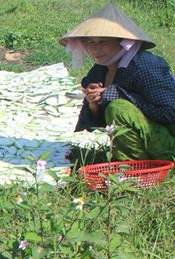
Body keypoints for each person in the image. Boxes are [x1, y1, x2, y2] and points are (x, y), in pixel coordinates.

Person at [60, 3, 175, 161]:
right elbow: (94, 125)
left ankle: (136, 167)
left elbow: (170, 113)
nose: (95, 49)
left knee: (118, 107)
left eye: (103, 42)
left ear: (122, 42)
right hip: (139, 142)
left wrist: (114, 94)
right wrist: (94, 105)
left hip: (167, 144)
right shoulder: (99, 71)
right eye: (90, 42)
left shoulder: (146, 66)